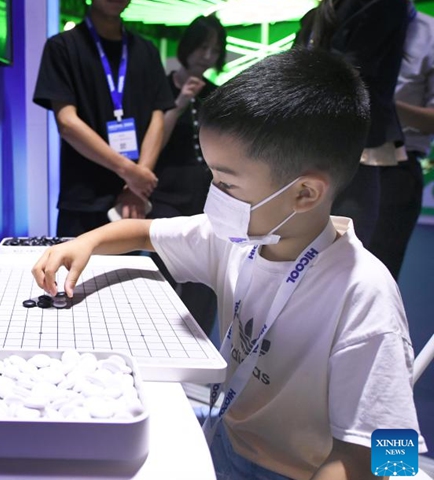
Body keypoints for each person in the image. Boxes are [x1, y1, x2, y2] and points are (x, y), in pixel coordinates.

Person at [32, 48, 427, 479]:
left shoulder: (363, 292)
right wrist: (86, 242)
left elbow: (396, 452)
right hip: (226, 438)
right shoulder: (243, 237)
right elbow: (146, 232)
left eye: (227, 182)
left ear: (305, 194)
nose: (215, 195)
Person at [33, 0, 173, 237]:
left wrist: (137, 183)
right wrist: (129, 171)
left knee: (133, 272)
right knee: (73, 273)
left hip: (135, 199)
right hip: (83, 198)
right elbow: (67, 123)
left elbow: (157, 117)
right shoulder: (62, 47)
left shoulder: (146, 51)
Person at [296, 0, 408, 245]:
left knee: (342, 249)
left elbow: (354, 66)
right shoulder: (317, 15)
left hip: (356, 139)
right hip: (310, 142)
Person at [149, 14, 227, 336]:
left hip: (207, 195)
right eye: (201, 47)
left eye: (214, 49)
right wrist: (179, 103)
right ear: (187, 47)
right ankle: (152, 338)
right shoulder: (161, 88)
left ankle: (196, 347)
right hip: (166, 191)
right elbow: (153, 142)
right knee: (162, 267)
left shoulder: (217, 94)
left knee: (205, 274)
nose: (206, 56)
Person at [371, 4, 434, 279]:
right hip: (336, 162)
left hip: (396, 165)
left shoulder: (429, 32)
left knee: (377, 277)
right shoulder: (342, 21)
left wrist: (382, 103)